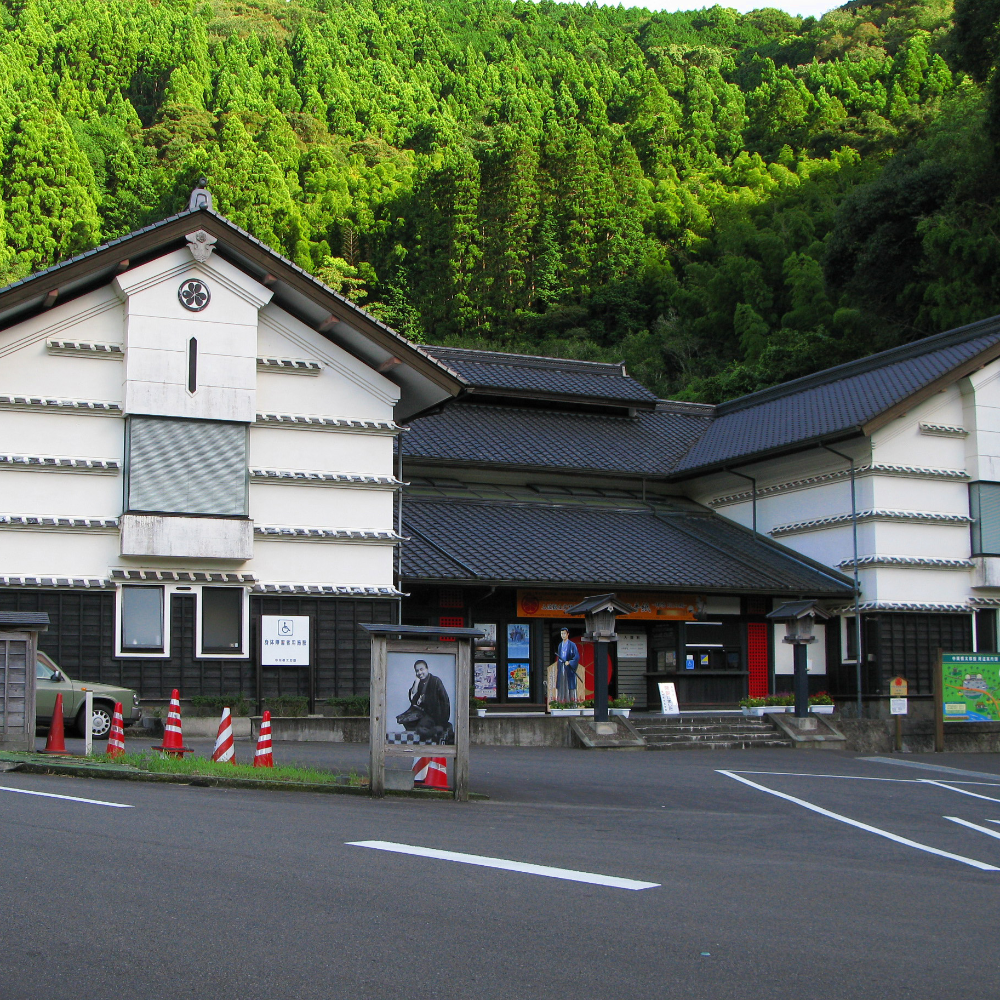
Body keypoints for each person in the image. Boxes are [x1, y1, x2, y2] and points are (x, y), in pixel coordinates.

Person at [397, 659, 453, 743]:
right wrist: (416, 683)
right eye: (417, 671)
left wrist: (443, 720)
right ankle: (428, 729)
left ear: (427, 669)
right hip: (421, 713)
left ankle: (438, 729)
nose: (419, 673)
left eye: (421, 669)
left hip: (434, 715)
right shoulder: (418, 682)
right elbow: (413, 701)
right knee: (404, 720)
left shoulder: (436, 681)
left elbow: (445, 701)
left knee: (422, 727)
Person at [556, 628, 580, 703]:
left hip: (569, 667)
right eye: (561, 634)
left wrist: (570, 662)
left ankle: (571, 702)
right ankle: (561, 701)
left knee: (570, 684)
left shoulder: (572, 645)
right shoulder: (560, 645)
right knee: (562, 683)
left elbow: (576, 657)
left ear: (567, 634)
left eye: (564, 634)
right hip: (562, 666)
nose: (563, 635)